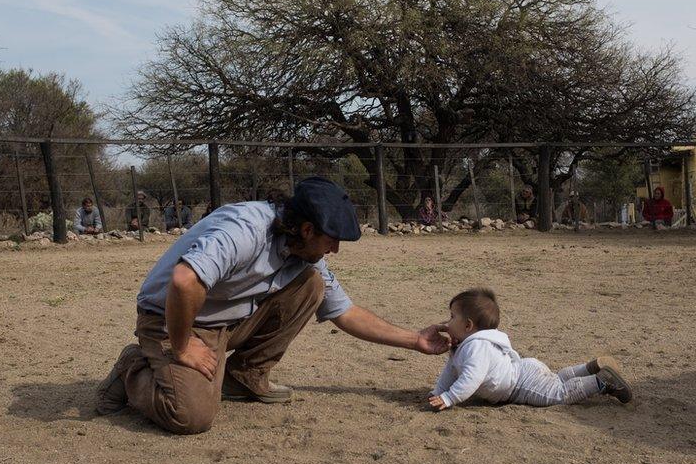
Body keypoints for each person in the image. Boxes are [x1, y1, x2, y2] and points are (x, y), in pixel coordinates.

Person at [96, 177, 450, 434]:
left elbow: (346, 312)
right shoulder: (245, 230)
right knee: (190, 417)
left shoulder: (303, 254)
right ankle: (134, 367)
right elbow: (184, 282)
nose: (335, 250)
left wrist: (415, 340)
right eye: (333, 241)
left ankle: (244, 376)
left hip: (225, 322)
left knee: (311, 286)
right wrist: (184, 343)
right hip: (173, 319)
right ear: (308, 230)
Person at [428, 288, 632, 410]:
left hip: (518, 385)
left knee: (560, 393)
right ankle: (588, 368)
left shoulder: (476, 348)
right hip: (525, 370)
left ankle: (601, 382)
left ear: (468, 326)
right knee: (557, 378)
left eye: (452, 317)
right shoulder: (463, 346)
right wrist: (438, 391)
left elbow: (471, 377)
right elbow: (451, 371)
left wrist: (449, 398)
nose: (447, 322)